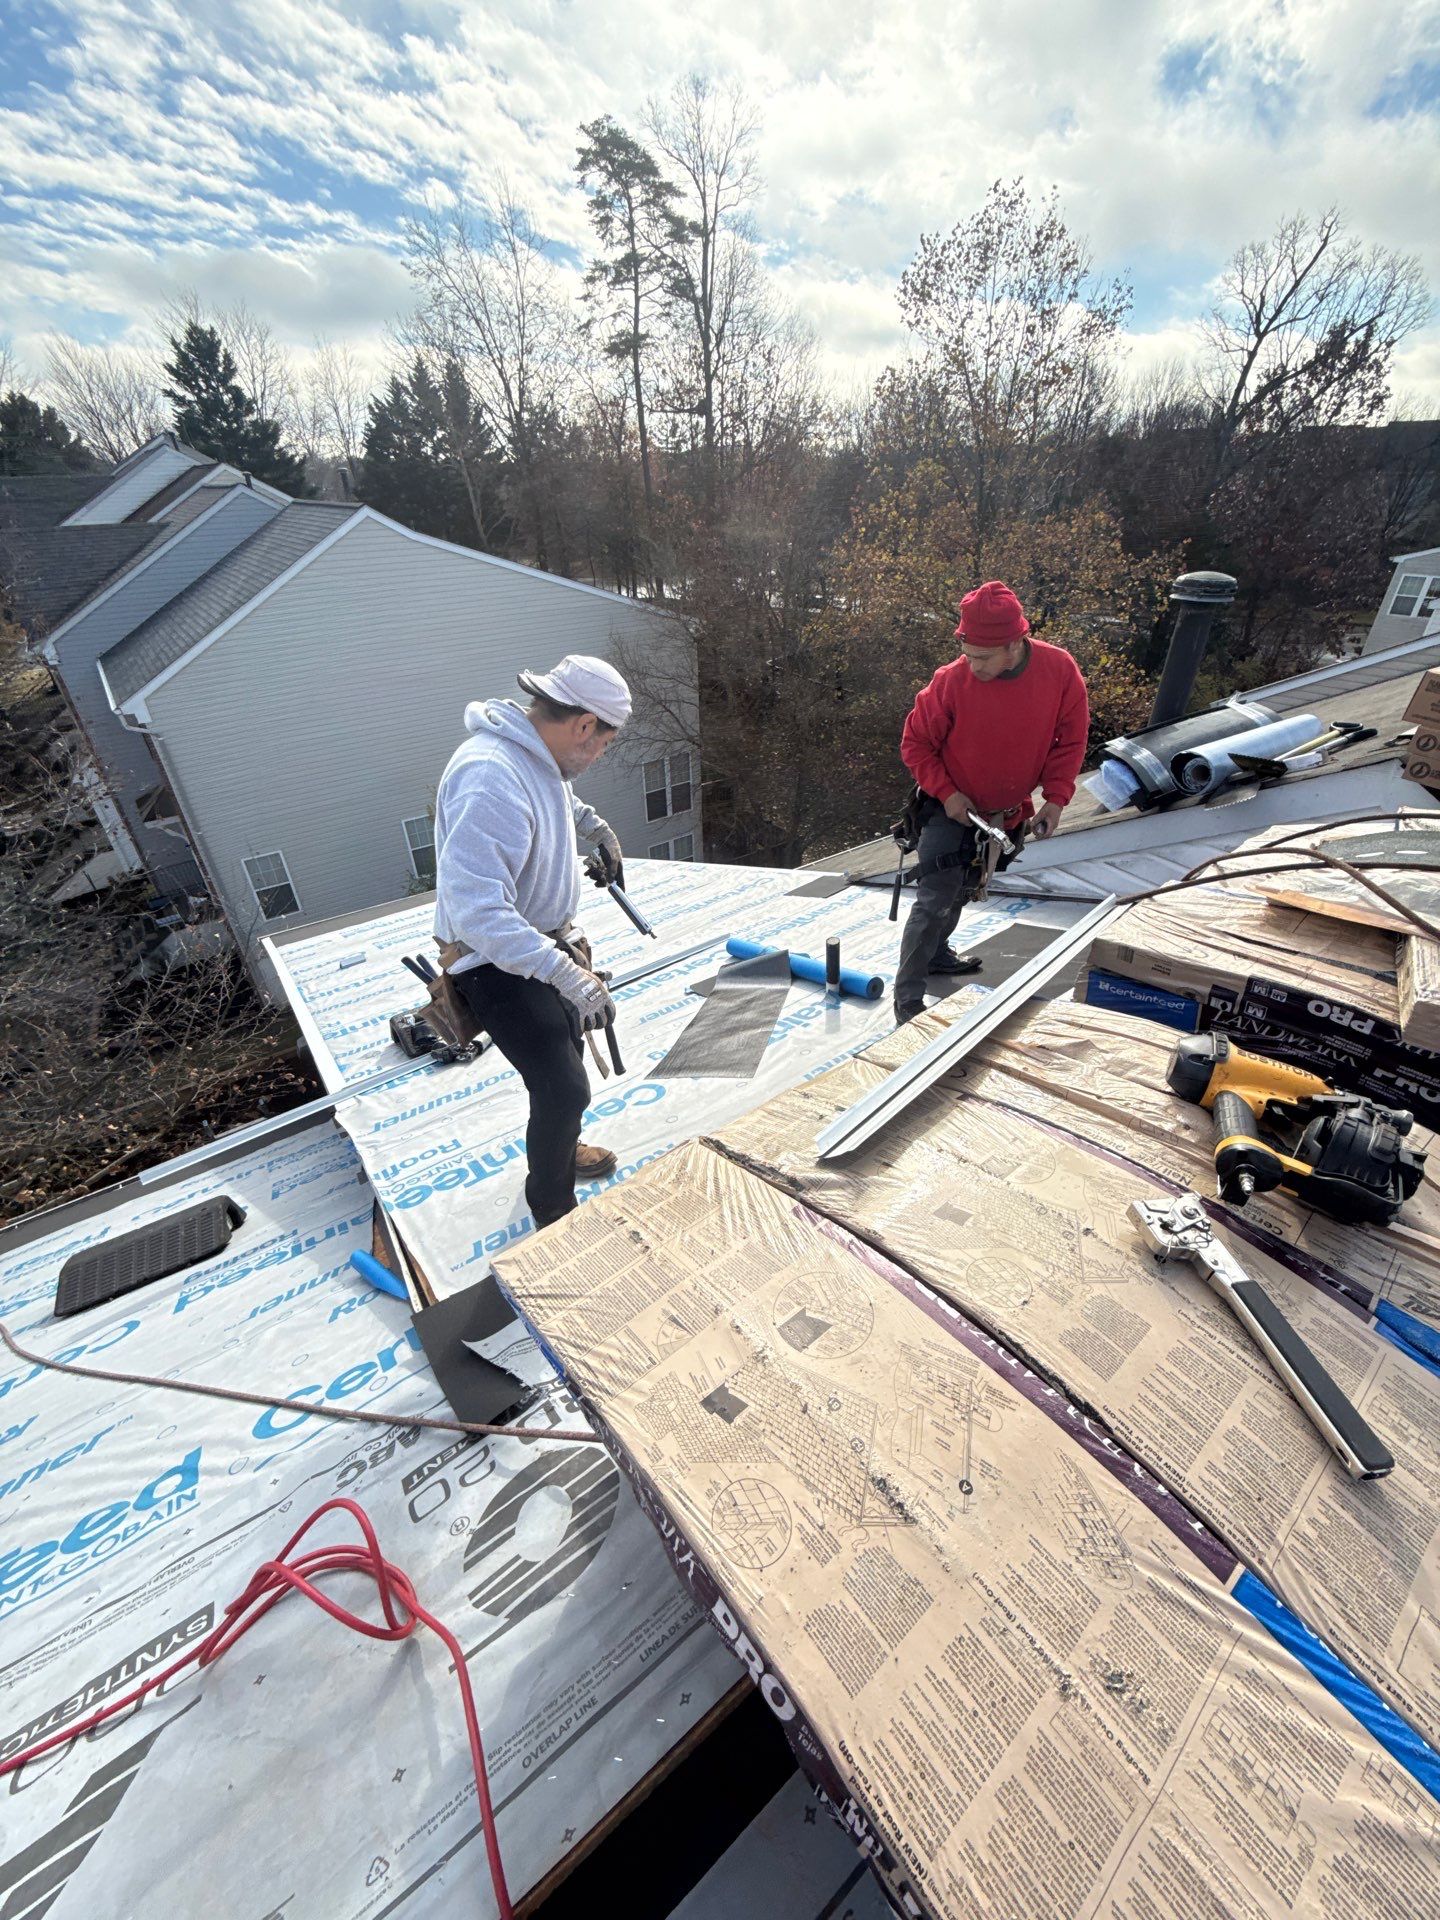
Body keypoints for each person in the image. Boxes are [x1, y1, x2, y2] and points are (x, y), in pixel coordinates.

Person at [432, 653, 631, 1228]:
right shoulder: (490, 774)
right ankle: (551, 1206)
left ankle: (561, 1150)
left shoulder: (536, 754)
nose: (595, 758)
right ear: (585, 725)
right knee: (564, 1088)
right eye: (601, 745)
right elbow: (478, 914)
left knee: (564, 1059)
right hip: (490, 956)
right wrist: (569, 976)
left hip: (538, 944)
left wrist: (596, 828)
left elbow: (559, 797)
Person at [893, 579, 1089, 1023]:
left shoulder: (1058, 671)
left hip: (1005, 811)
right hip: (950, 805)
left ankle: (939, 955)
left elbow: (1070, 740)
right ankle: (907, 998)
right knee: (934, 896)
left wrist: (1056, 798)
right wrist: (948, 793)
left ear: (1015, 643)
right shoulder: (951, 682)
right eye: (967, 654)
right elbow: (916, 744)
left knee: (965, 887)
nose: (972, 665)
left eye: (982, 657)